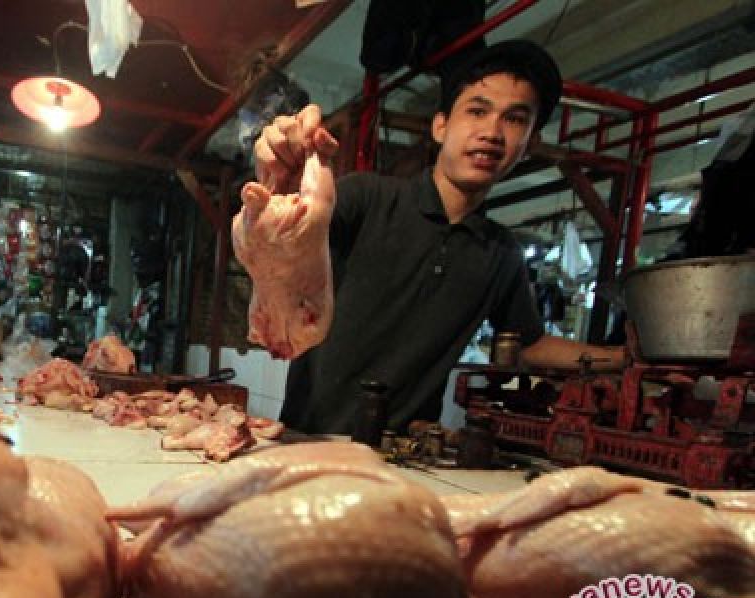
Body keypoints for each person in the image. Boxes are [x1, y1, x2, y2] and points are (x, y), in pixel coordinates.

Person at [241, 40, 624, 434]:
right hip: (307, 441)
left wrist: (623, 358)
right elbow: (279, 242)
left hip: (406, 458)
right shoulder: (365, 199)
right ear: (440, 125)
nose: (492, 132)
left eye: (515, 119)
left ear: (530, 144)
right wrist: (279, 185)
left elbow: (531, 345)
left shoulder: (500, 253)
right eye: (477, 110)